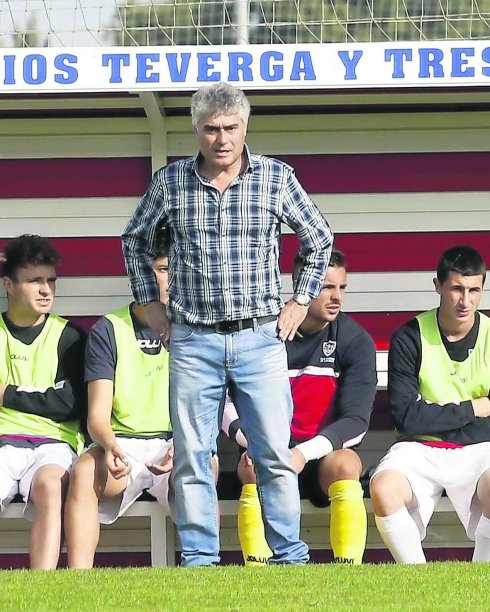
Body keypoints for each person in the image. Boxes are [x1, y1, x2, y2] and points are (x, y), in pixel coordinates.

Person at [122, 82, 333, 566]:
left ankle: (291, 558)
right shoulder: (171, 182)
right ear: (196, 129)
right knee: (193, 458)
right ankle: (199, 561)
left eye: (230, 128)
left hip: (260, 336)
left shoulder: (276, 178)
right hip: (193, 338)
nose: (222, 139)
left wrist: (300, 300)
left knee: (274, 455)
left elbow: (319, 238)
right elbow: (135, 238)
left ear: (245, 127)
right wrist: (150, 304)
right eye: (211, 129)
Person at [226, 249, 377, 565]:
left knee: (348, 464)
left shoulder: (354, 339)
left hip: (319, 459)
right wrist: (254, 443)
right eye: (326, 287)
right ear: (301, 284)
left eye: (342, 288)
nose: (336, 297)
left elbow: (356, 421)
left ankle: (348, 574)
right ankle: (261, 574)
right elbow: (224, 403)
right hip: (268, 453)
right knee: (249, 465)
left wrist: (301, 454)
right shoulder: (263, 332)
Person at [64, 232, 183, 568]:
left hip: (176, 444)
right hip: (123, 447)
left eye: (177, 269)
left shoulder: (194, 325)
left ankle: (205, 578)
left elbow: (204, 407)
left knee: (202, 470)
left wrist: (185, 446)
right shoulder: (109, 329)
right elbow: (97, 417)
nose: (171, 279)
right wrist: (111, 447)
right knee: (84, 471)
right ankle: (77, 585)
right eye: (162, 269)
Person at [370, 245, 490, 563]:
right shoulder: (409, 336)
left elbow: (419, 412)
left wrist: (434, 412)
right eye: (457, 289)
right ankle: (417, 583)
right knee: (383, 488)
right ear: (438, 286)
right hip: (420, 448)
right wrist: (474, 409)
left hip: (480, 449)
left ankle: (482, 580)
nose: (466, 301)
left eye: (474, 290)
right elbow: (407, 418)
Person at [0, 234, 85, 569]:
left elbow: (70, 404)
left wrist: (7, 394)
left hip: (54, 443)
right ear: (8, 284)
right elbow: (54, 398)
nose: (46, 289)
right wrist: (42, 397)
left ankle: (42, 586)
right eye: (34, 280)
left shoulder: (70, 336)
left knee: (50, 487)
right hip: (3, 443)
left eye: (51, 280)